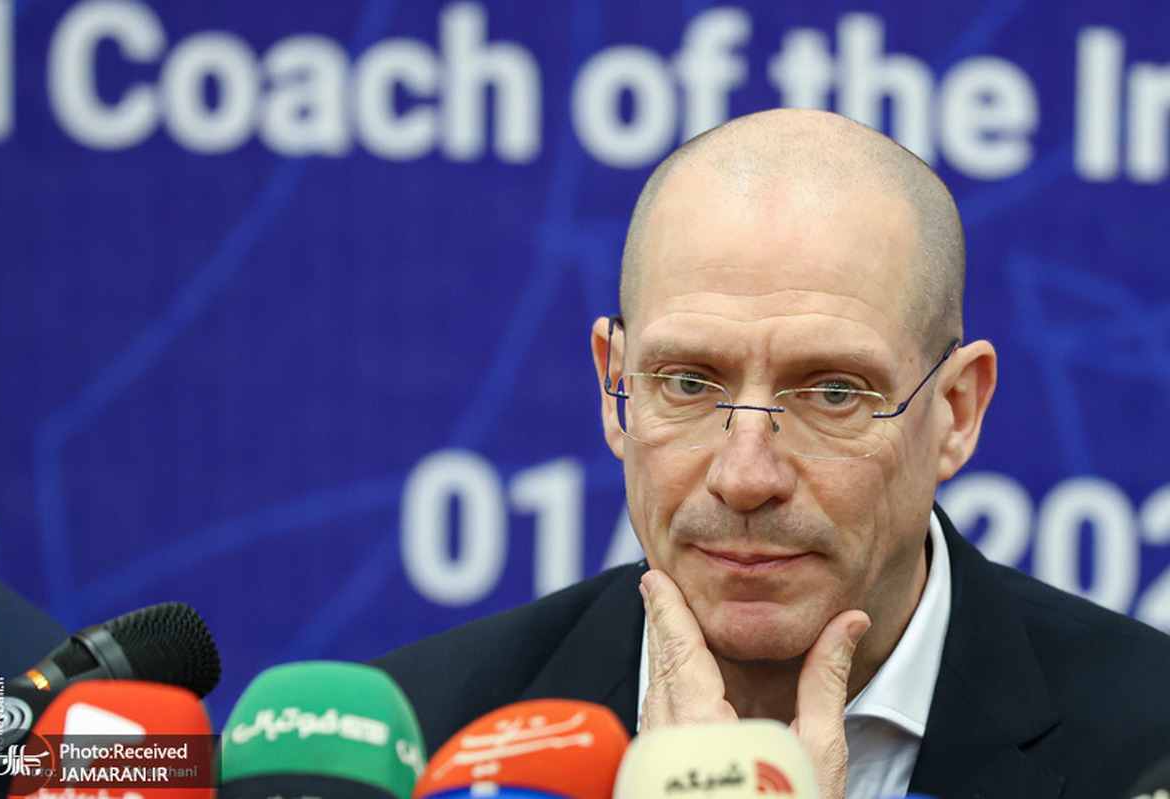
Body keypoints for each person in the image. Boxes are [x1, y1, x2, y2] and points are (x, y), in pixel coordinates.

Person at [372, 109, 1170, 798]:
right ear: (615, 389)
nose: (746, 476)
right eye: (688, 382)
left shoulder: (1149, 741)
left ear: (956, 412)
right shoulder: (421, 746)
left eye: (833, 392)